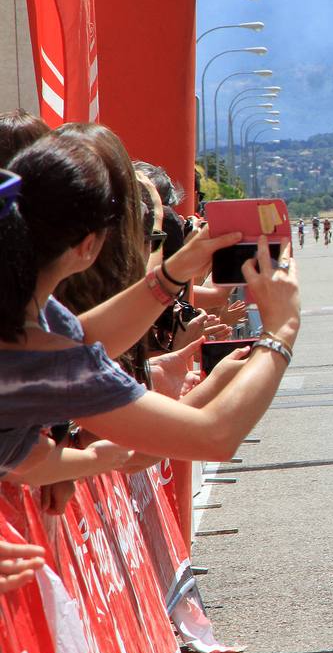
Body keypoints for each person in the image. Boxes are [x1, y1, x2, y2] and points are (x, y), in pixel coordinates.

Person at [0, 139, 301, 483]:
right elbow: (213, 436)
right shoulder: (47, 362)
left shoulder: (29, 312)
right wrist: (281, 330)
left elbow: (84, 338)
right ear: (88, 245)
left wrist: (175, 272)